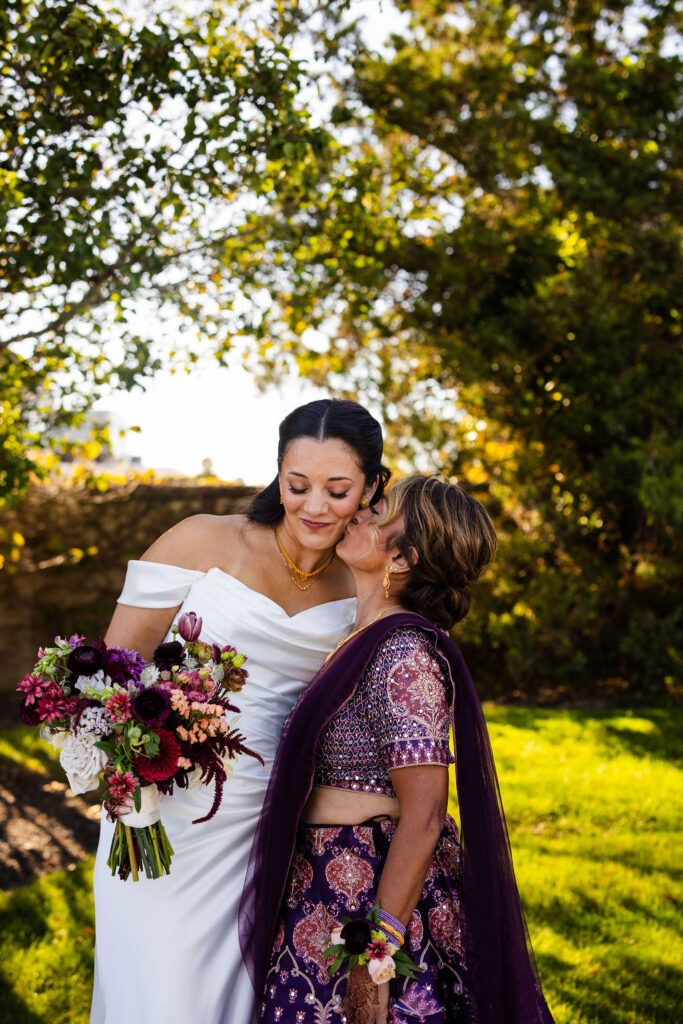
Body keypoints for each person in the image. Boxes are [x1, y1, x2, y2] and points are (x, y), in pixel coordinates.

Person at [90, 398, 391, 1024]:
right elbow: (111, 673)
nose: (314, 506)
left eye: (338, 490)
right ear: (277, 474)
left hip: (279, 820)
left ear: (370, 487)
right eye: (297, 485)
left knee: (243, 998)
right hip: (163, 810)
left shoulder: (365, 582)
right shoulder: (203, 538)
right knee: (159, 990)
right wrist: (122, 770)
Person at [241, 475, 555, 1024]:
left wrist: (377, 953)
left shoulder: (404, 654)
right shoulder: (358, 637)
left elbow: (427, 814)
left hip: (369, 891)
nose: (359, 513)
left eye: (377, 514)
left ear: (403, 558)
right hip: (320, 881)